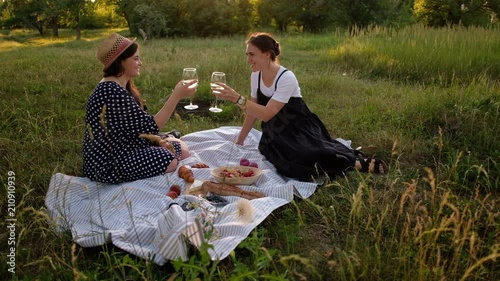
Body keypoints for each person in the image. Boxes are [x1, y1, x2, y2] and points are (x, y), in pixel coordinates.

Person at [214, 32, 387, 181]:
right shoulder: (256, 76)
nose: (248, 60)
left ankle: (354, 162)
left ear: (267, 54)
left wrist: (237, 99)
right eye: (247, 55)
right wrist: (240, 139)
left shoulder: (286, 77)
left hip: (299, 126)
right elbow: (253, 110)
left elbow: (267, 113)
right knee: (282, 159)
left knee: (307, 155)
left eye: (251, 54)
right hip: (275, 131)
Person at [82, 33, 197, 184]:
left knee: (182, 149)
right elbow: (150, 128)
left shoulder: (114, 85)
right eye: (135, 59)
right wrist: (175, 96)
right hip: (108, 165)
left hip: (125, 146)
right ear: (121, 61)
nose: (140, 63)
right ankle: (168, 137)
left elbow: (137, 128)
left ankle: (168, 137)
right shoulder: (112, 91)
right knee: (170, 158)